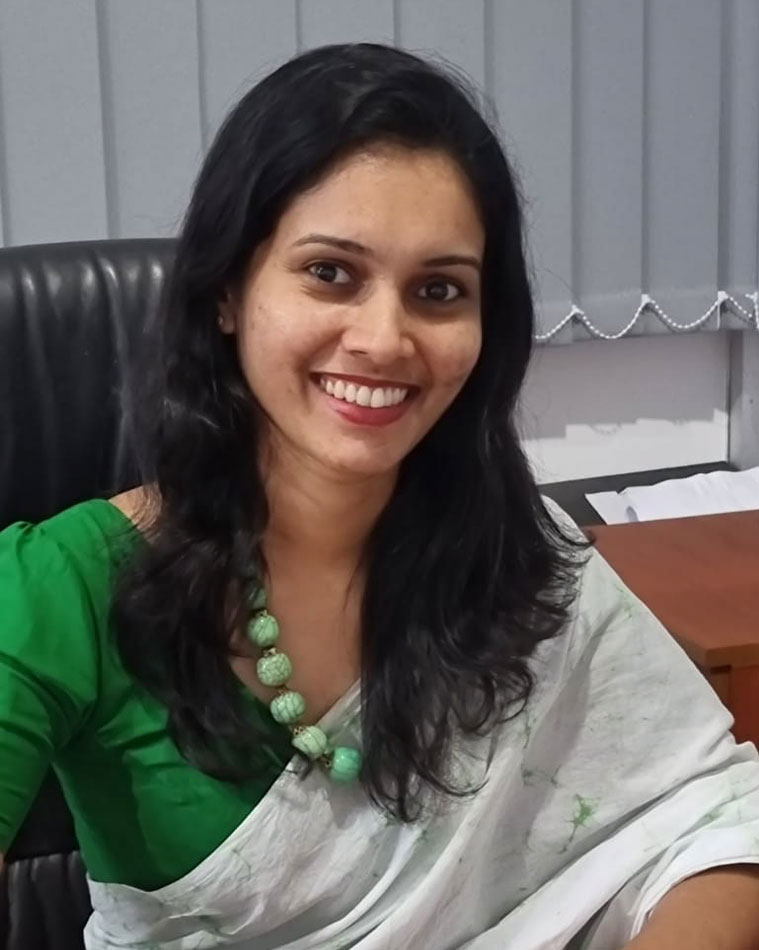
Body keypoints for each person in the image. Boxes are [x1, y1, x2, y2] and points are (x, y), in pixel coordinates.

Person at [1, 42, 758, 950]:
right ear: (227, 291)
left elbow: (714, 817)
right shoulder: (57, 591)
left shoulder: (515, 558)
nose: (385, 338)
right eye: (331, 273)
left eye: (439, 290)